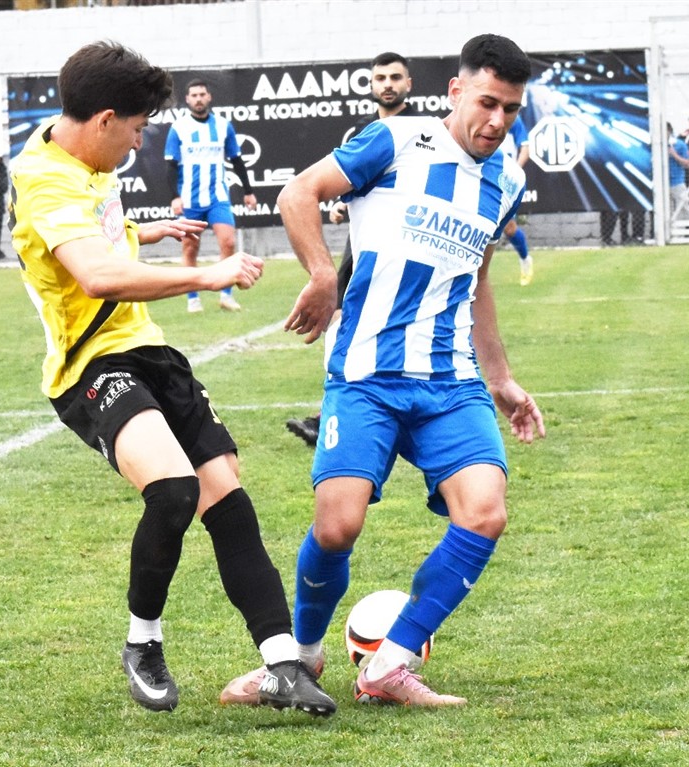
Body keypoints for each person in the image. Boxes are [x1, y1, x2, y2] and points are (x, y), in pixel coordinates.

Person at [9, 40, 336, 717]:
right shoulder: (43, 176)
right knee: (173, 489)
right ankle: (143, 642)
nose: (137, 144)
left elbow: (93, 229)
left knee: (227, 497)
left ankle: (282, 664)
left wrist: (144, 230)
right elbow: (95, 274)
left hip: (150, 351)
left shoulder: (80, 154)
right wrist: (206, 274)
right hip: (89, 365)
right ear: (104, 120)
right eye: (134, 130)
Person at [277, 33, 546, 706]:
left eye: (511, 109)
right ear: (457, 91)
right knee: (336, 527)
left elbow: (478, 280)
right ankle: (299, 661)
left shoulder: (507, 180)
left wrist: (500, 377)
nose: (497, 120)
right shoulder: (395, 141)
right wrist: (322, 275)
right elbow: (298, 193)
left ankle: (388, 666)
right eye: (487, 102)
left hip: (450, 381)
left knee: (484, 513)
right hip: (366, 373)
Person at [285, 51, 417, 448]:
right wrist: (343, 205)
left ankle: (400, 414)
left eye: (395, 77)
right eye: (381, 78)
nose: (388, 84)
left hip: (407, 247)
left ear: (409, 84)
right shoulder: (362, 132)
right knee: (339, 316)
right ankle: (330, 413)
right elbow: (346, 182)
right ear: (372, 84)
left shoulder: (423, 130)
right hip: (360, 246)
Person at [164, 79, 257, 313]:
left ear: (209, 97)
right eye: (194, 95)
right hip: (189, 199)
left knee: (228, 242)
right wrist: (175, 196)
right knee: (190, 248)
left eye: (202, 94)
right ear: (187, 99)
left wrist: (248, 191)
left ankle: (226, 295)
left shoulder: (224, 126)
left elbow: (236, 160)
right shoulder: (179, 128)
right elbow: (171, 166)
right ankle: (193, 298)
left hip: (218, 196)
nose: (198, 99)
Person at [500, 118, 533, 285]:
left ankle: (525, 259)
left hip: (505, 181)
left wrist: (515, 171)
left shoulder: (513, 120)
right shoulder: (481, 117)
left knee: (509, 228)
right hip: (482, 177)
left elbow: (525, 148)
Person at [666, 122, 689, 220]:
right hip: (661, 183)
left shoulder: (679, 145)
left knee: (684, 207)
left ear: (669, 131)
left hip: (676, 182)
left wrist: (675, 155)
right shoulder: (654, 145)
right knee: (665, 210)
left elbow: (688, 164)